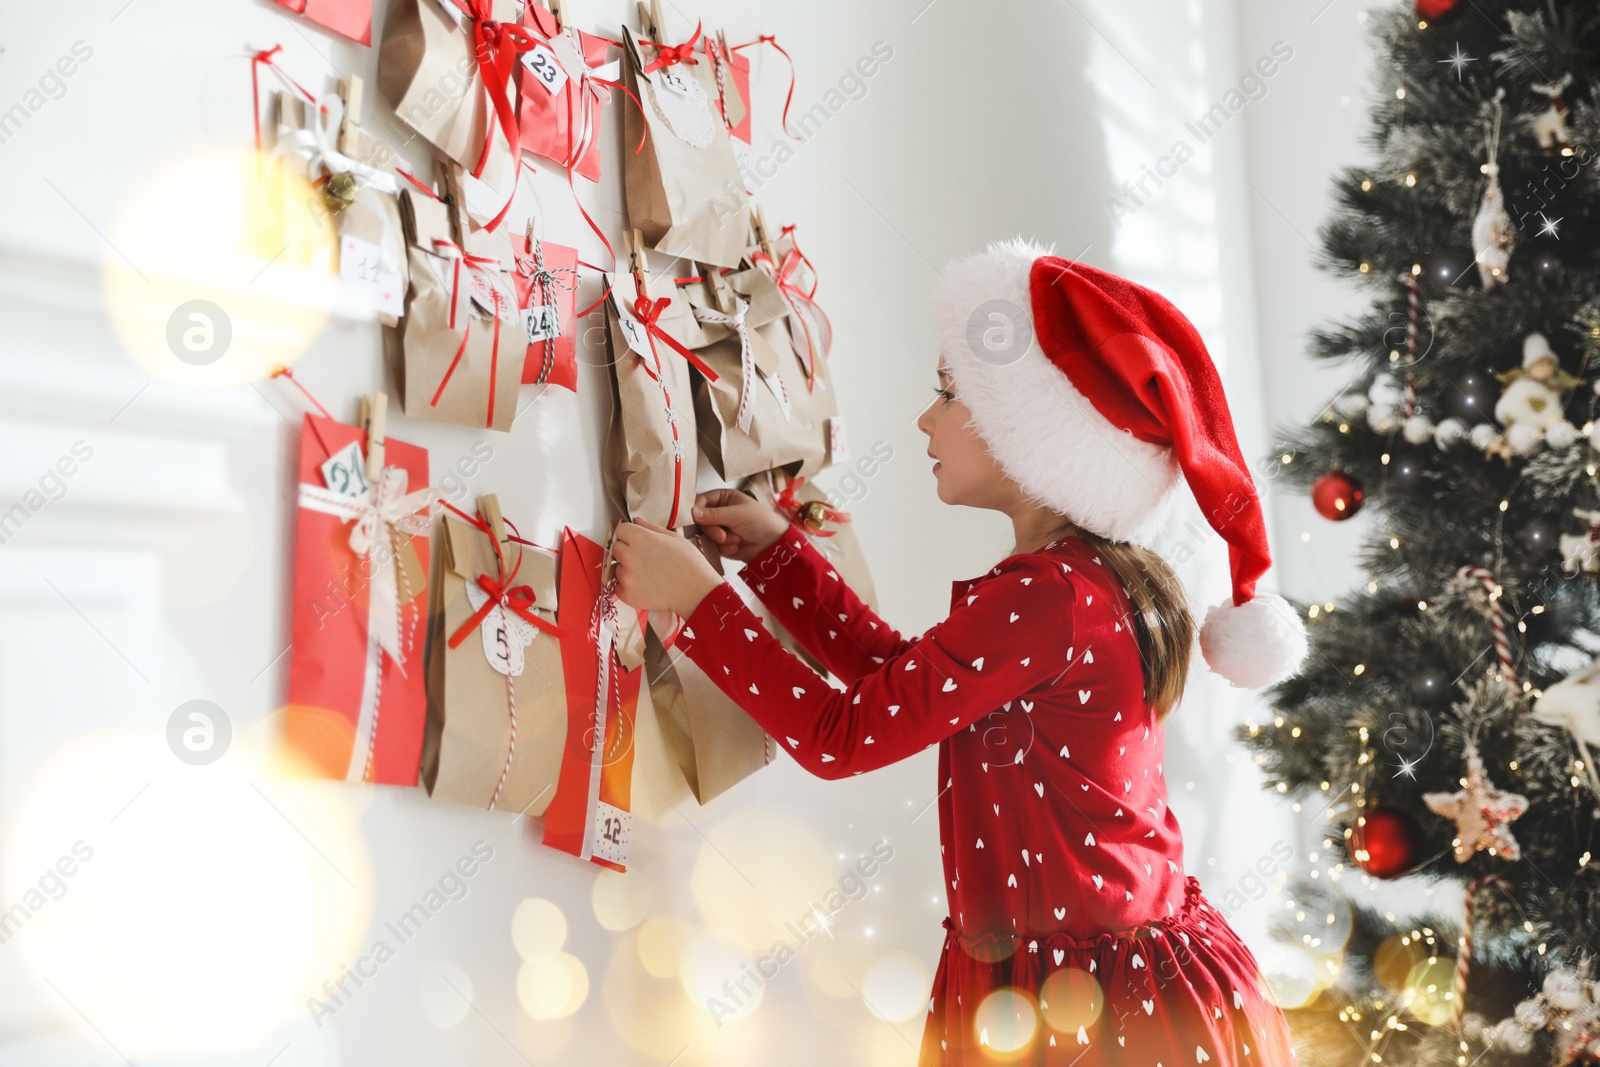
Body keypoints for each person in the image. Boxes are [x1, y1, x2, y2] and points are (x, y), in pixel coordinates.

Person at [611, 237, 1308, 1064]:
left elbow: (844, 735)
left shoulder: (1047, 598)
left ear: (1036, 434)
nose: (924, 417)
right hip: (1082, 985)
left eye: (949, 393)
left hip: (1093, 1012)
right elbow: (902, 684)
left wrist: (698, 601)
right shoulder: (1075, 583)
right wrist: (776, 559)